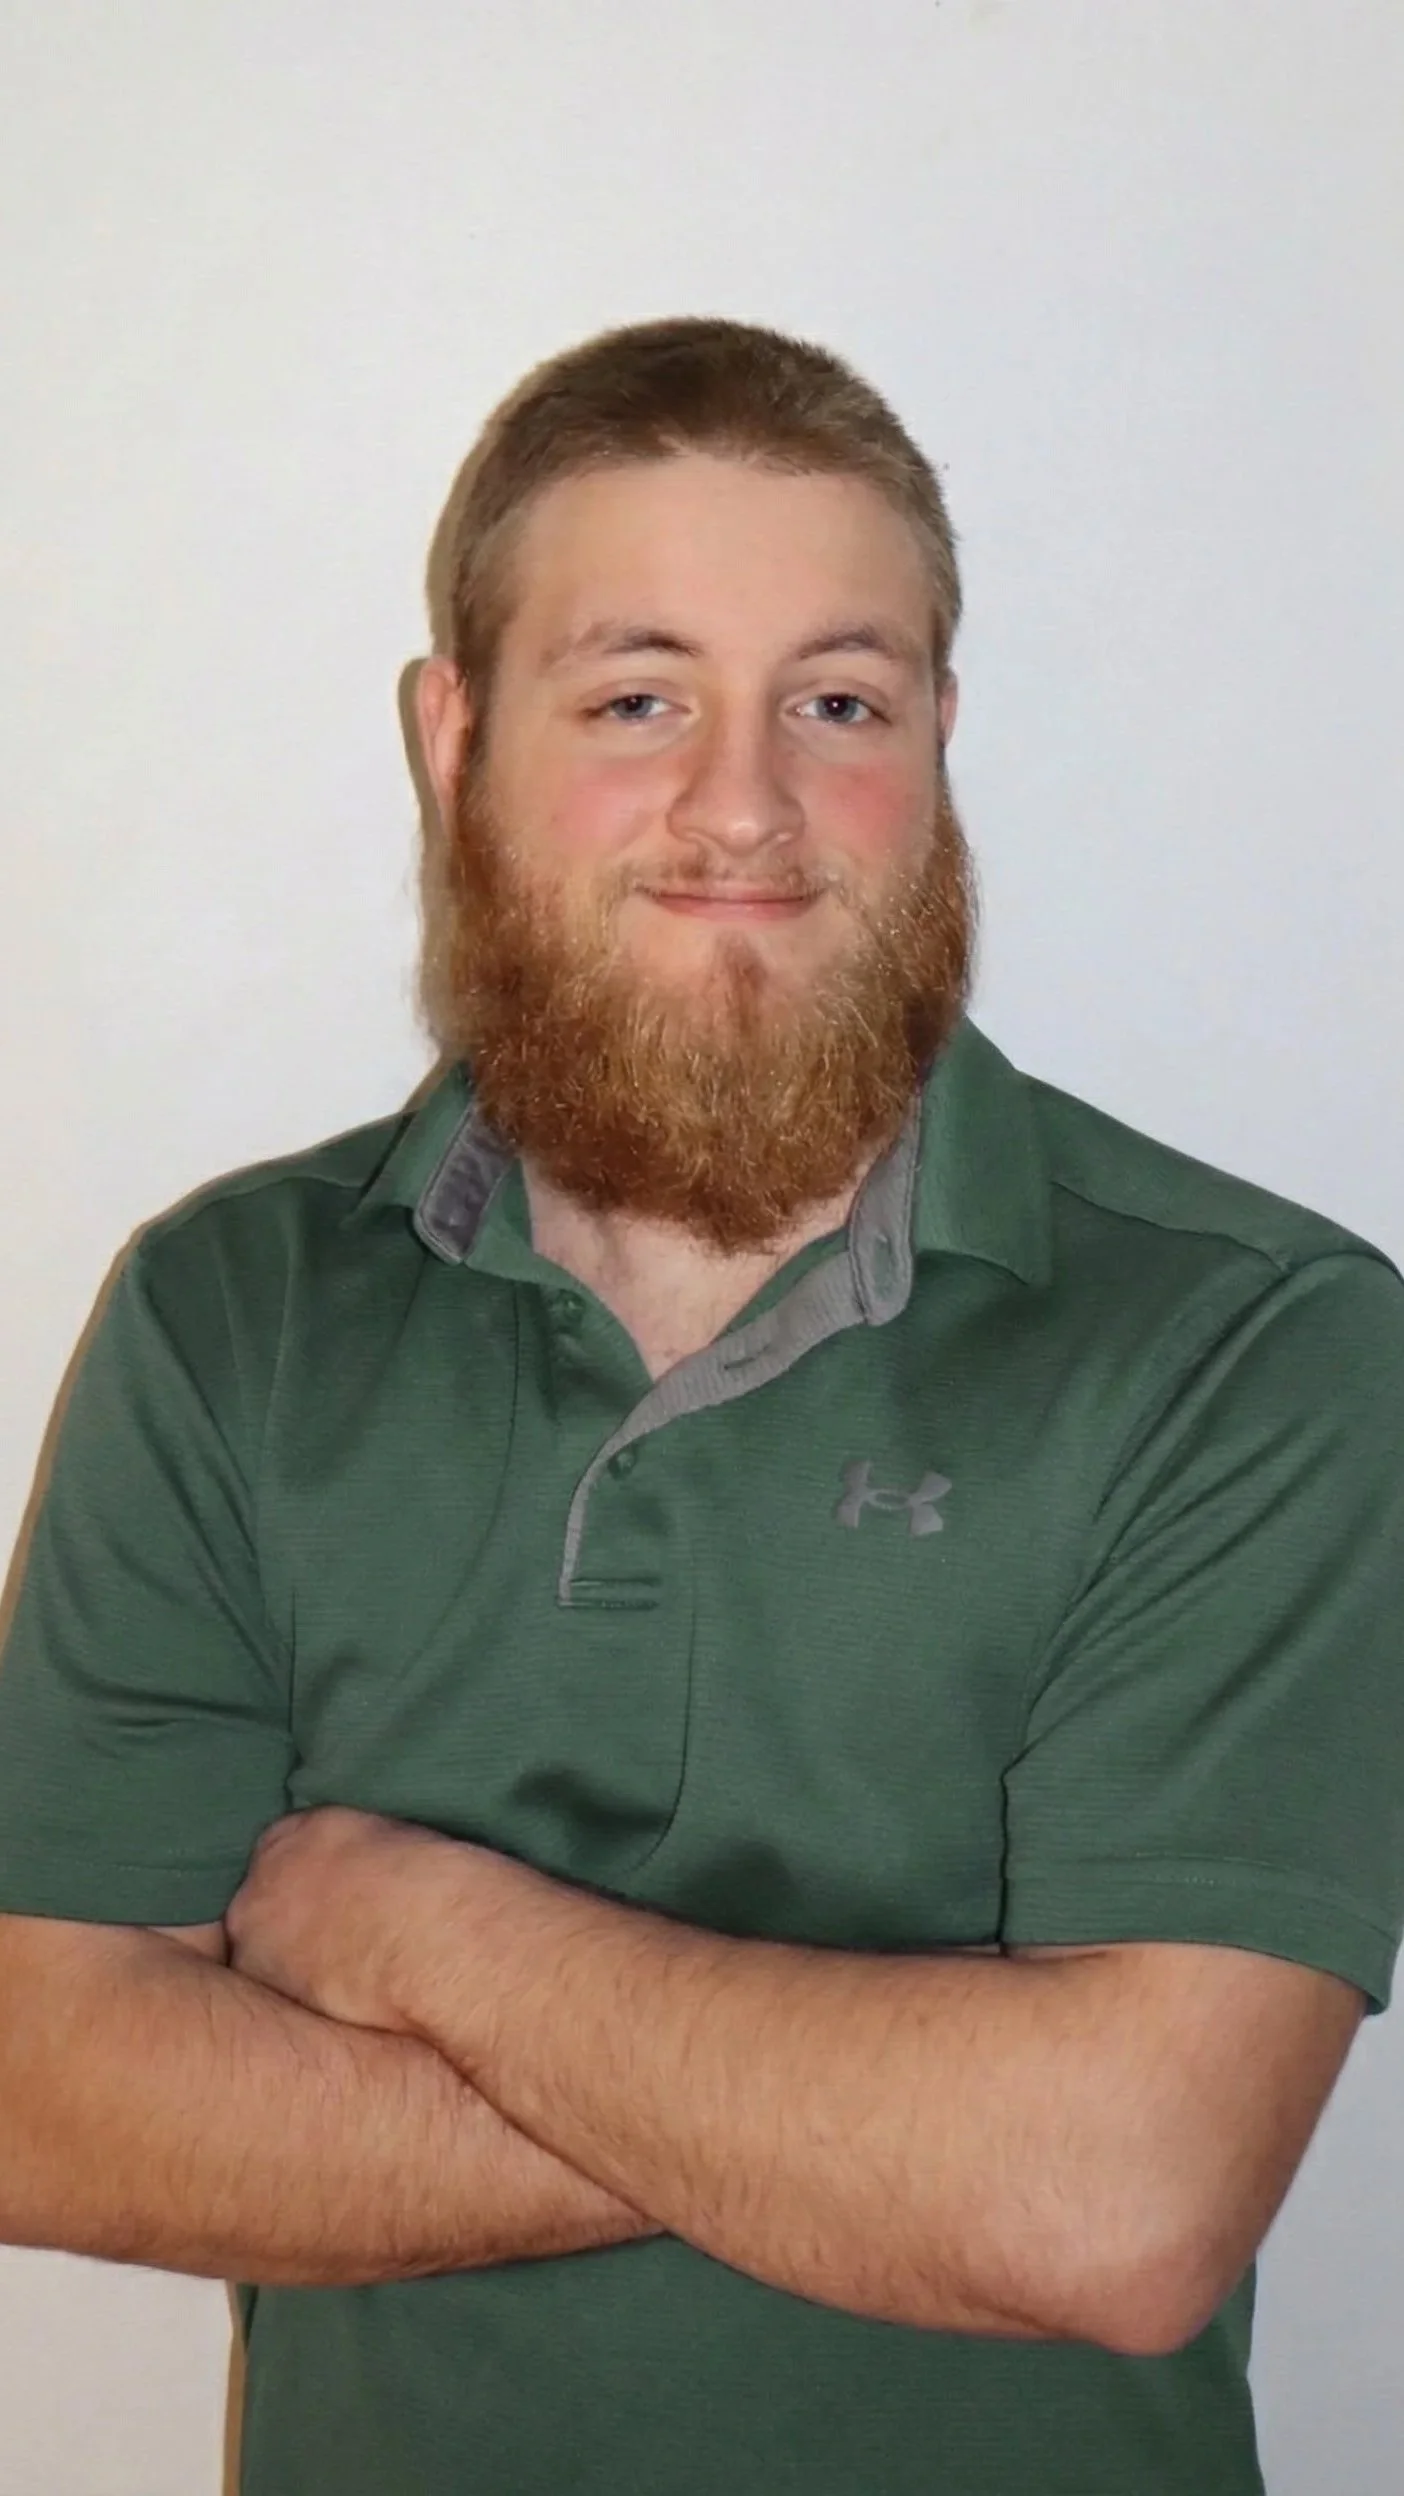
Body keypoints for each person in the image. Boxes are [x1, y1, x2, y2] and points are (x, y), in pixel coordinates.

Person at [0, 315, 1401, 2496]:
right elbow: (43, 2101)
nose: (743, 806)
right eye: (637, 698)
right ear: (454, 738)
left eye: (838, 703)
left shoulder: (1258, 1340)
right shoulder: (230, 1316)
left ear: (940, 741)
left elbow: (1119, 2206)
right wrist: (898, 2128)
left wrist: (423, 1928)